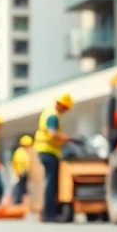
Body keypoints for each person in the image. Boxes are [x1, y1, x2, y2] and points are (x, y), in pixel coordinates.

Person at [34, 93, 76, 222]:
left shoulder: (48, 112)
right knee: (51, 183)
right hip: (48, 151)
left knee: (50, 182)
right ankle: (49, 214)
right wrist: (69, 139)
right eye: (65, 108)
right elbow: (52, 134)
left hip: (45, 151)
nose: (65, 111)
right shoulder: (53, 115)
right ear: (61, 105)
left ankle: (47, 213)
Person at [11, 135, 32, 205]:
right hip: (20, 172)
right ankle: (17, 201)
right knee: (19, 187)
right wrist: (17, 172)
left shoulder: (30, 151)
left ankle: (26, 201)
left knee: (26, 188)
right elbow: (14, 163)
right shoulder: (19, 152)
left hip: (28, 173)